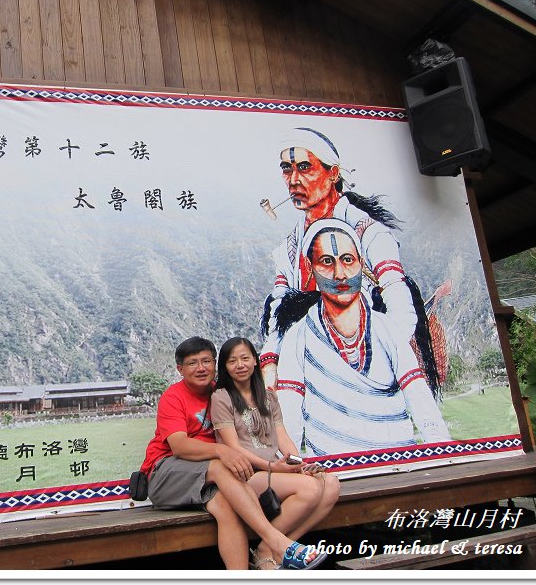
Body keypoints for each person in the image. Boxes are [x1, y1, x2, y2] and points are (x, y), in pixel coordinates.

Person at [140, 336, 327, 570]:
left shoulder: (222, 393)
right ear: (180, 369)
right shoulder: (173, 397)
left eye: (206, 361)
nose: (201, 368)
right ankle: (278, 543)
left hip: (205, 475)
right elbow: (179, 446)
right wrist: (221, 450)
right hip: (165, 473)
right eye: (192, 363)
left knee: (227, 509)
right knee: (219, 465)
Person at [259, 126, 425, 390]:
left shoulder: (370, 234)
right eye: (287, 169)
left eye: (305, 167)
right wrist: (271, 362)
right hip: (307, 370)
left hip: (365, 366)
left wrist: (379, 365)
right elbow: (280, 310)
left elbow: (400, 307)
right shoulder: (288, 250)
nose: (293, 181)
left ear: (333, 173)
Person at [274, 219, 451, 456]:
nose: (340, 274)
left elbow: (418, 394)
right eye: (327, 261)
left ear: (361, 262)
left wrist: (444, 452)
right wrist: (293, 465)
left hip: (399, 462)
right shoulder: (298, 337)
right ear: (311, 267)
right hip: (332, 471)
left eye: (348, 260)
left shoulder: (385, 328)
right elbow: (290, 411)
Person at [211, 336, 340, 569]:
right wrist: (271, 466)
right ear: (225, 367)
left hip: (275, 470)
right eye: (232, 361)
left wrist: (299, 464)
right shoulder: (222, 397)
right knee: (310, 488)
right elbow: (233, 448)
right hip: (247, 474)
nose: (240, 365)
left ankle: (267, 549)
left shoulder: (269, 397)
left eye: (245, 358)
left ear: (255, 362)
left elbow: (282, 437)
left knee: (330, 484)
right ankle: (271, 547)